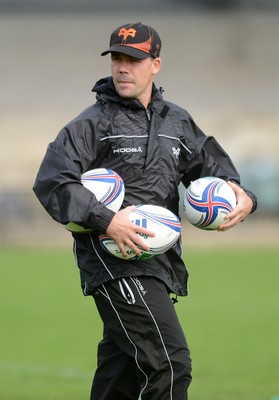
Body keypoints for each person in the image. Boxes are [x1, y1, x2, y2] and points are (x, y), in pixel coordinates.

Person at [33, 21, 257, 400]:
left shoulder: (177, 121)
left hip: (160, 261)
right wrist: (107, 219)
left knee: (120, 376)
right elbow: (53, 181)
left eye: (134, 60)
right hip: (114, 260)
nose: (123, 67)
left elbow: (213, 169)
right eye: (117, 58)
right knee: (169, 363)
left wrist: (244, 195)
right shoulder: (92, 124)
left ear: (155, 64)